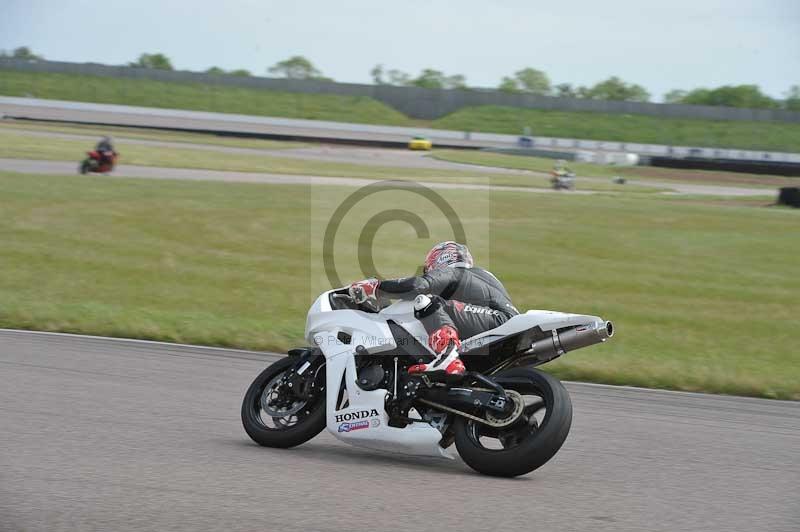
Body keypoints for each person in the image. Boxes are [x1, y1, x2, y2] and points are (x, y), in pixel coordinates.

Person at [348, 241, 519, 376]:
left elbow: (419, 285)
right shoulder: (482, 277)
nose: (428, 271)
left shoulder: (454, 272)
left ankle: (448, 356)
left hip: (497, 321)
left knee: (427, 301)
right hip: (502, 327)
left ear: (439, 260)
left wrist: (377, 286)